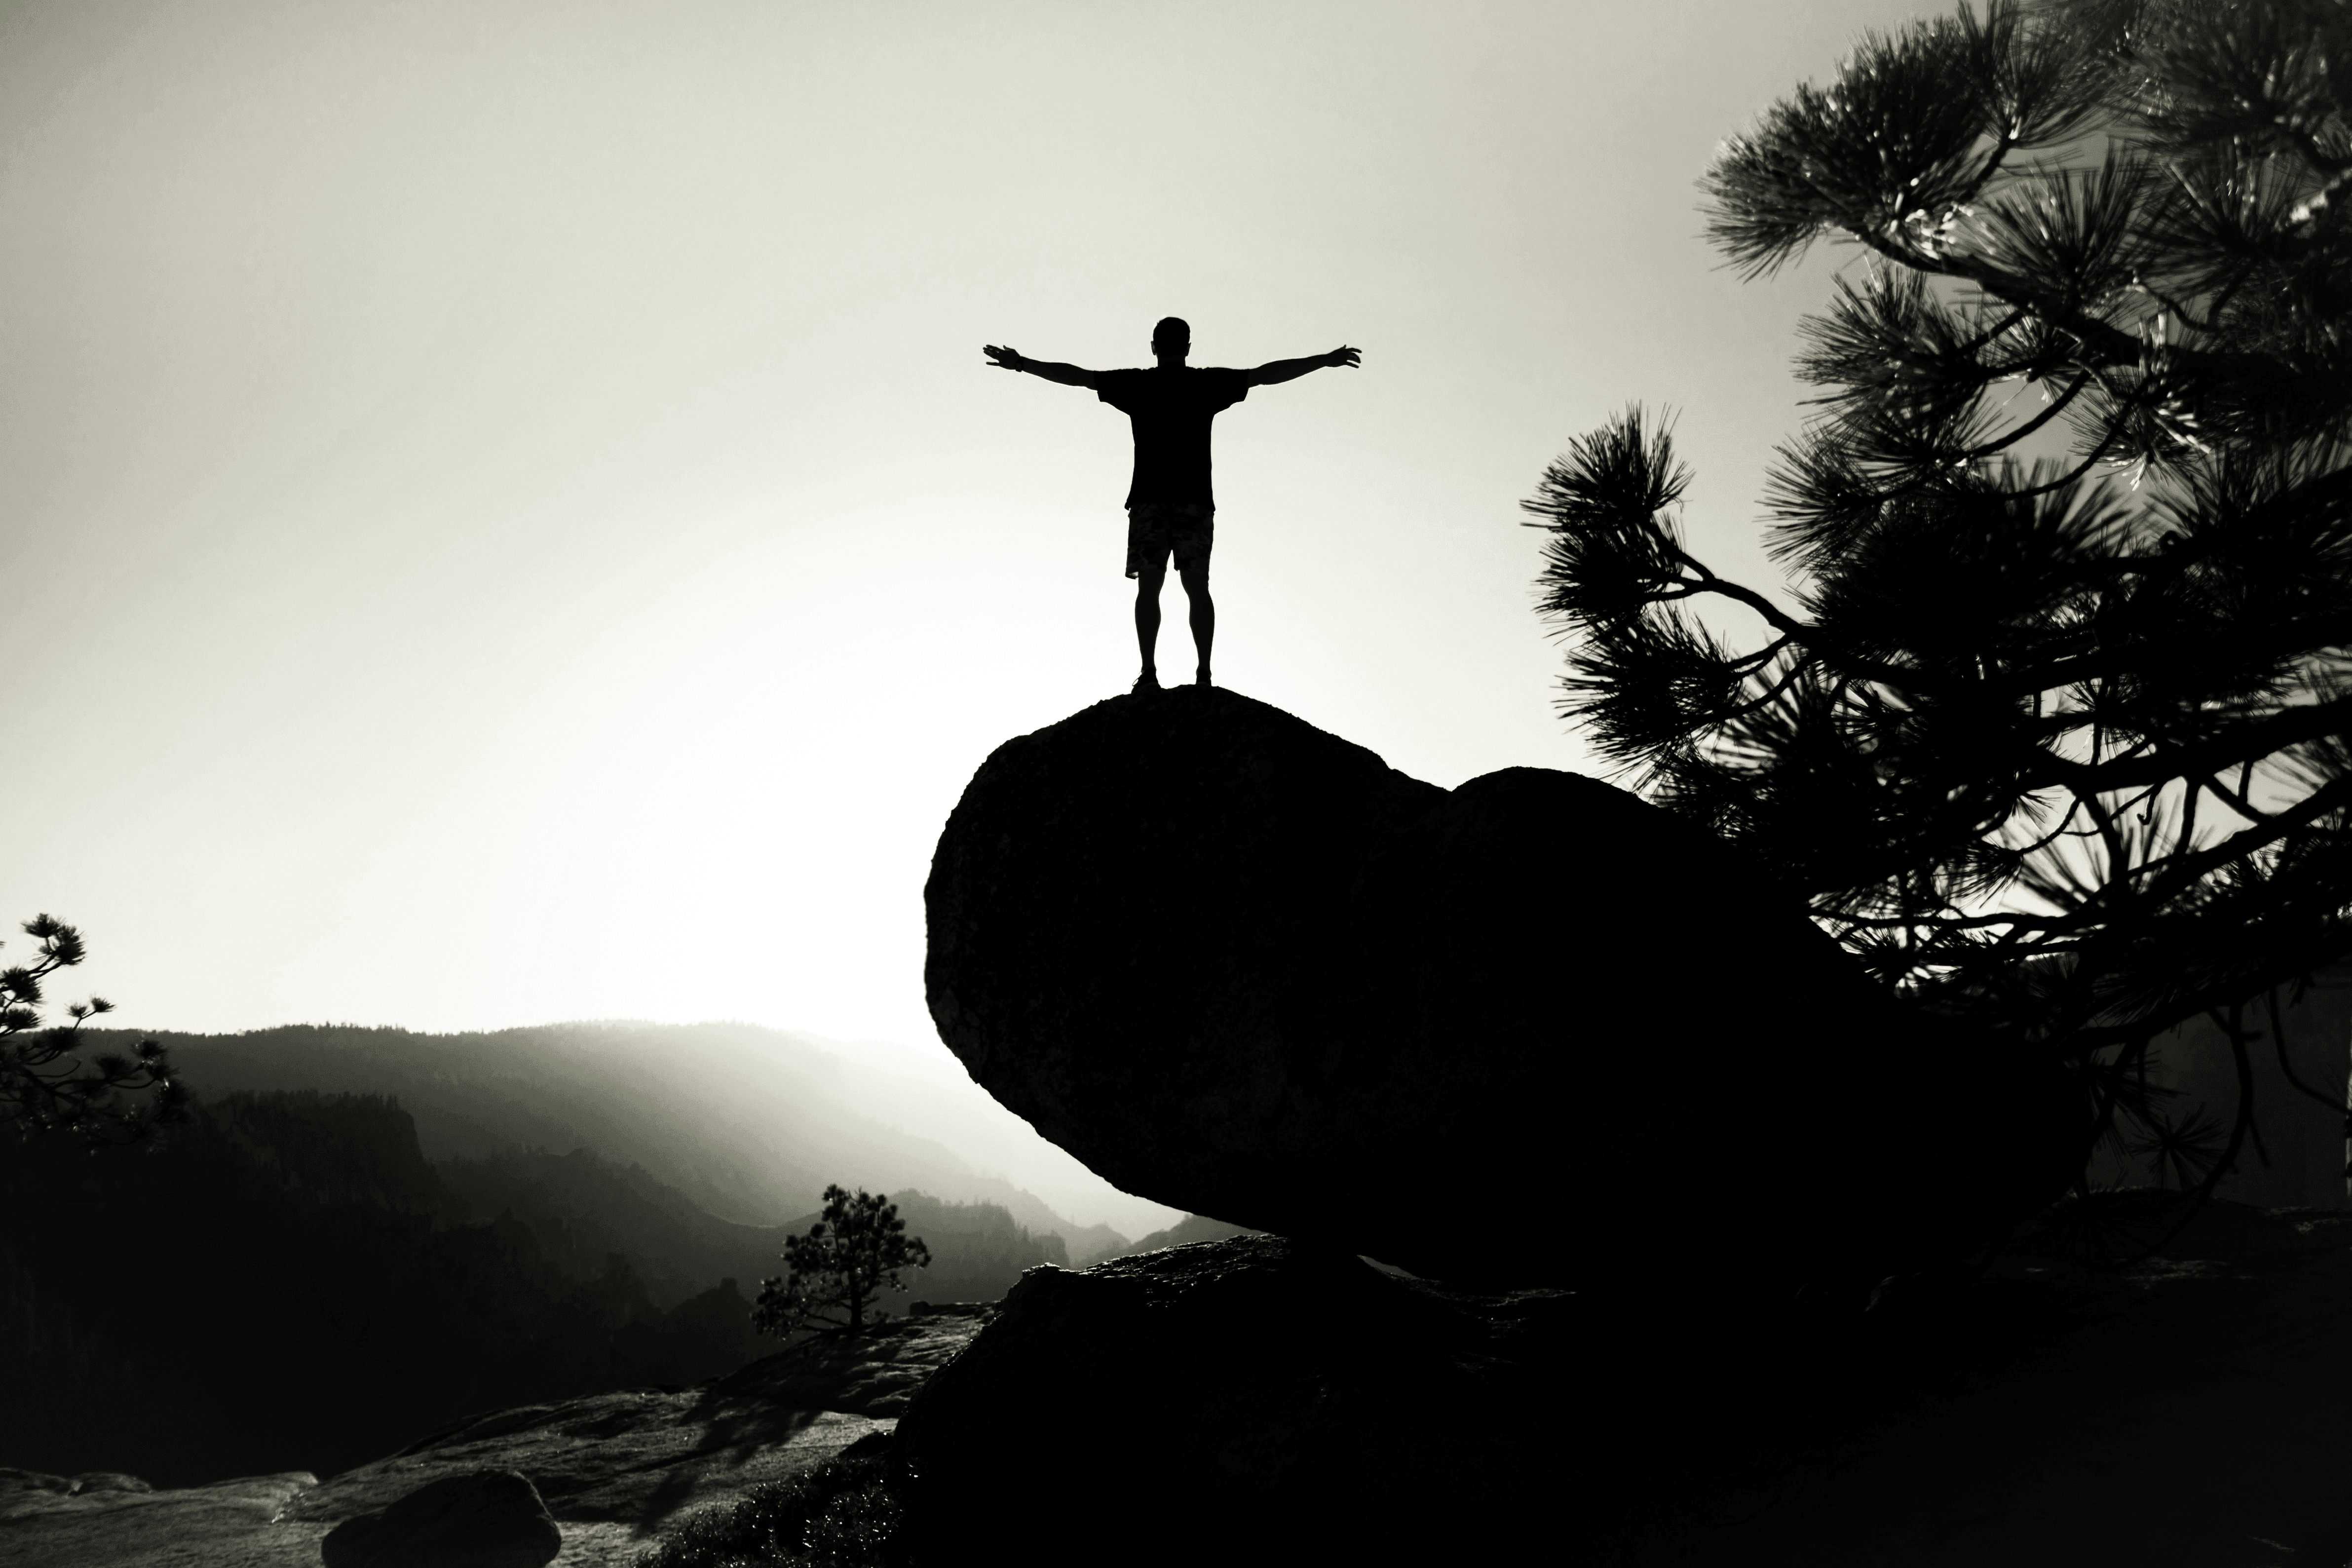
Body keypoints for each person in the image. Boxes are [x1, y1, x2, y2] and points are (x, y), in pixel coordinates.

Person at [984, 317, 1360, 692]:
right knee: (1197, 587)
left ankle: (1149, 672)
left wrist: (1022, 364)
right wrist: (1324, 360)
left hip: (1150, 500)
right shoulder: (1206, 384)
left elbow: (1080, 377)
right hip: (1194, 500)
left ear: (1153, 347)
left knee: (1149, 587)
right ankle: (1204, 675)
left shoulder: (1138, 384)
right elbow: (1264, 375)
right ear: (1188, 347)